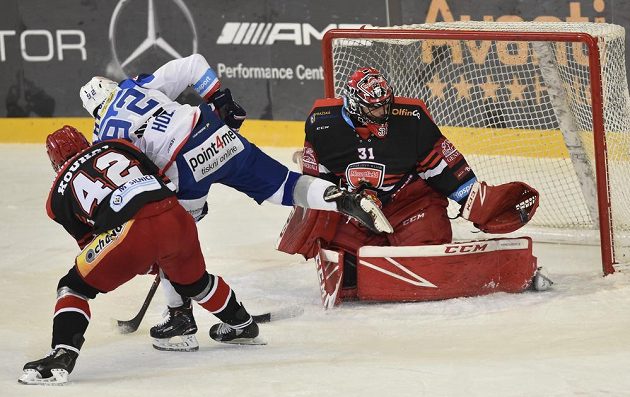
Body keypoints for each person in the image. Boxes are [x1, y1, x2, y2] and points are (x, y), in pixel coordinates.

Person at [78, 55, 391, 351]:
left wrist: (183, 202)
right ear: (111, 87)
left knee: (170, 245)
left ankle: (179, 319)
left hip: (183, 166)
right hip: (213, 131)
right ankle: (343, 198)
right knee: (285, 184)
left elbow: (136, 181)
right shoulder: (135, 86)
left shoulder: (102, 135)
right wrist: (219, 100)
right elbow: (191, 66)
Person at [19, 126, 267, 385]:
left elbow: (91, 244)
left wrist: (143, 259)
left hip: (131, 233)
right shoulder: (116, 145)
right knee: (194, 282)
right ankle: (243, 325)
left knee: (73, 286)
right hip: (176, 216)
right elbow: (163, 180)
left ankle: (62, 355)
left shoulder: (56, 196)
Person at [278, 67, 547, 304]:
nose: (384, 112)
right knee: (341, 254)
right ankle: (363, 260)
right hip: (357, 209)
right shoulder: (322, 123)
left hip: (410, 203)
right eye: (375, 107)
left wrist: (476, 203)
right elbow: (318, 184)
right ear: (354, 105)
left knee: (425, 250)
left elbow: (443, 165)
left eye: (386, 104)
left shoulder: (411, 119)